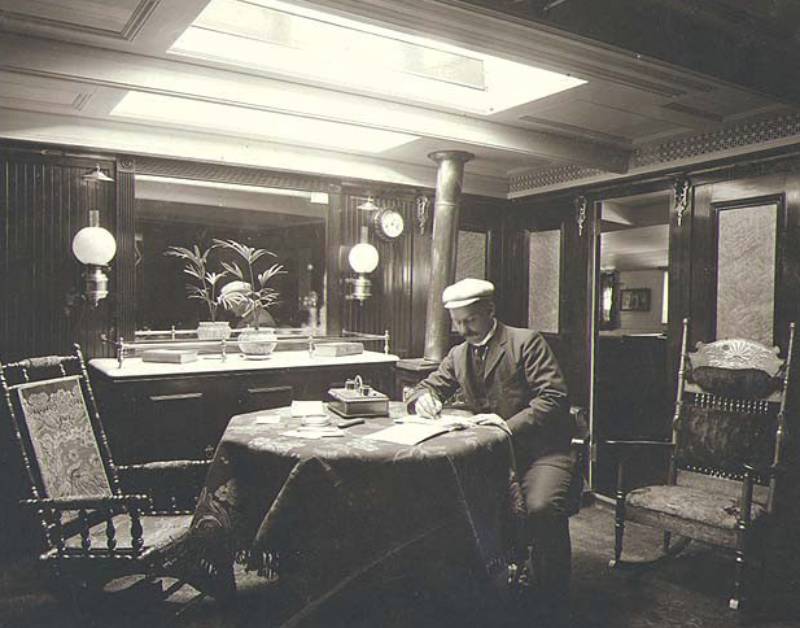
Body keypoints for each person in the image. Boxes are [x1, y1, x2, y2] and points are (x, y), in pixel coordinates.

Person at [406, 277, 577, 625]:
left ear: (490, 310)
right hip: (490, 456)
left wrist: (505, 425)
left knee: (541, 508)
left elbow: (554, 398)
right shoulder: (458, 354)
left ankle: (552, 600)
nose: (462, 329)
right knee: (447, 506)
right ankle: (480, 591)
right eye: (456, 322)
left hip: (541, 451)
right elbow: (426, 386)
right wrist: (423, 398)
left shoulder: (526, 342)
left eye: (469, 320)